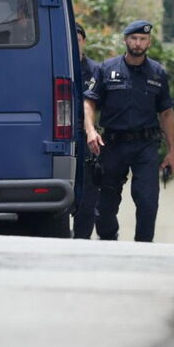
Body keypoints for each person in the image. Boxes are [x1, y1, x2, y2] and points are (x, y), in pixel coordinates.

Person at [83, 20, 174, 242]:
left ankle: (143, 246)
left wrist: (172, 150)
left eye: (142, 39)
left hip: (145, 145)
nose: (138, 43)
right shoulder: (106, 69)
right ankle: (108, 241)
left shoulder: (157, 73)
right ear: (125, 40)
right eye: (134, 38)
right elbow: (90, 102)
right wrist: (90, 130)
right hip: (113, 144)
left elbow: (166, 113)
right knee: (105, 204)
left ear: (149, 42)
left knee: (147, 200)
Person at [72, 22, 101, 239]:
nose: (74, 42)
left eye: (78, 38)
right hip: (61, 133)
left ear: (84, 41)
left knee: (89, 191)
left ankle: (82, 239)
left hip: (85, 135)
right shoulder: (55, 65)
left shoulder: (94, 70)